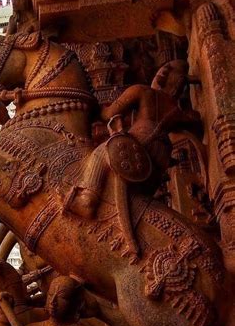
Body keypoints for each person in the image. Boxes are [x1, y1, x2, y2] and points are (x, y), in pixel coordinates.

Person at [65, 59, 201, 220]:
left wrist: (91, 104)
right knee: (140, 194)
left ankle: (87, 198)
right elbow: (195, 122)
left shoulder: (143, 91)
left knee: (101, 152)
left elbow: (107, 115)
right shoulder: (177, 111)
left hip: (141, 140)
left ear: (161, 75)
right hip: (162, 153)